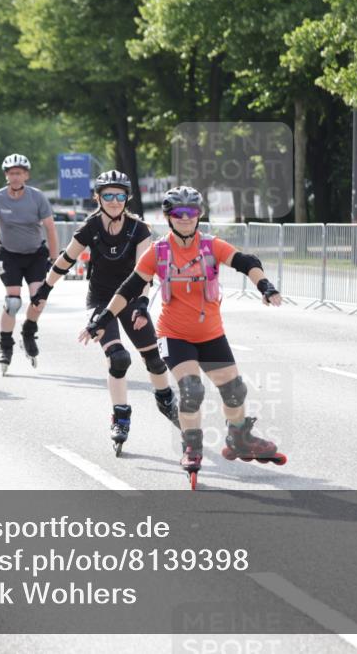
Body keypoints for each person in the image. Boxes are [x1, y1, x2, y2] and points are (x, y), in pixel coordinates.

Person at [80, 186, 285, 489]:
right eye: (179, 213)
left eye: (192, 213)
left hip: (211, 334)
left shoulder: (211, 246)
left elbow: (246, 261)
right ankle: (191, 446)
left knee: (234, 392)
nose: (186, 218)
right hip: (174, 335)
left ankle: (239, 436)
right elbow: (128, 288)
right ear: (169, 217)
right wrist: (102, 319)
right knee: (191, 391)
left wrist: (265, 285)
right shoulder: (159, 251)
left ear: (199, 216)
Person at [31, 170, 179, 455]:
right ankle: (121, 416)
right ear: (97, 198)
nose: (114, 201)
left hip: (132, 299)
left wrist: (142, 303)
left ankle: (164, 398)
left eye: (119, 195)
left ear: (127, 198)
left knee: (154, 360)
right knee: (119, 357)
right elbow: (66, 260)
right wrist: (45, 289)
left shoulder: (139, 229)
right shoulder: (90, 227)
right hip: (101, 300)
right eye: (107, 195)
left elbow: (144, 272)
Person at [0, 153, 59, 372]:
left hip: (36, 254)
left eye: (19, 173)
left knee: (38, 299)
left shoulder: (37, 197)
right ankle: (5, 345)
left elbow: (50, 228)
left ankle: (28, 331)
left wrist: (54, 258)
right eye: (12, 173)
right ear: (6, 176)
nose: (15, 177)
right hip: (9, 255)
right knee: (13, 302)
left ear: (26, 175)